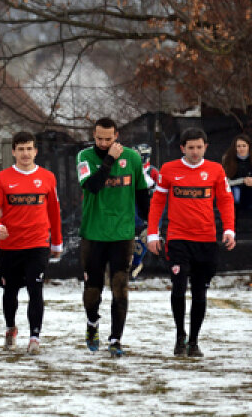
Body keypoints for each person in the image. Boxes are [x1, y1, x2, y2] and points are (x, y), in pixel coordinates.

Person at [147, 128, 236, 358]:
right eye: (190, 147)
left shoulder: (216, 170)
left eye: (199, 147)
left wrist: (228, 229)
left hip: (206, 240)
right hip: (178, 239)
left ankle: (194, 341)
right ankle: (180, 337)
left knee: (199, 292)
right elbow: (158, 201)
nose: (195, 152)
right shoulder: (169, 170)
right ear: (182, 148)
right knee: (178, 288)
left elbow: (225, 200)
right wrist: (153, 233)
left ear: (205, 147)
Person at [75, 117, 151, 358]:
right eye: (99, 138)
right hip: (94, 233)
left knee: (120, 287)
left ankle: (116, 339)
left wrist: (149, 225)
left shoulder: (133, 158)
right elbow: (92, 186)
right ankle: (92, 323)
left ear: (117, 135)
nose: (104, 143)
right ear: (93, 136)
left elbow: (141, 195)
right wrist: (108, 160)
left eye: (109, 139)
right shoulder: (84, 157)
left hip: (122, 234)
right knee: (93, 290)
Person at [0, 131, 63, 355]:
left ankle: (34, 338)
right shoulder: (2, 178)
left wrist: (56, 242)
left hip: (37, 244)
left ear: (36, 151)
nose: (25, 153)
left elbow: (54, 211)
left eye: (29, 148)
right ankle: (11, 328)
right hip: (10, 246)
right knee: (10, 293)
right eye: (21, 149)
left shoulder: (48, 177)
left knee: (35, 290)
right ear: (13, 152)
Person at [131, 143, 159, 278]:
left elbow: (159, 190)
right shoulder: (130, 169)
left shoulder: (152, 171)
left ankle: (136, 264)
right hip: (132, 206)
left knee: (144, 237)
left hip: (148, 207)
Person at [222, 133, 252, 235]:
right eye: (239, 146)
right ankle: (233, 227)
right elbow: (226, 181)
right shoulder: (228, 159)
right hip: (235, 187)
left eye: (244, 146)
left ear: (248, 146)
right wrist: (243, 180)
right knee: (235, 197)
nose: (241, 149)